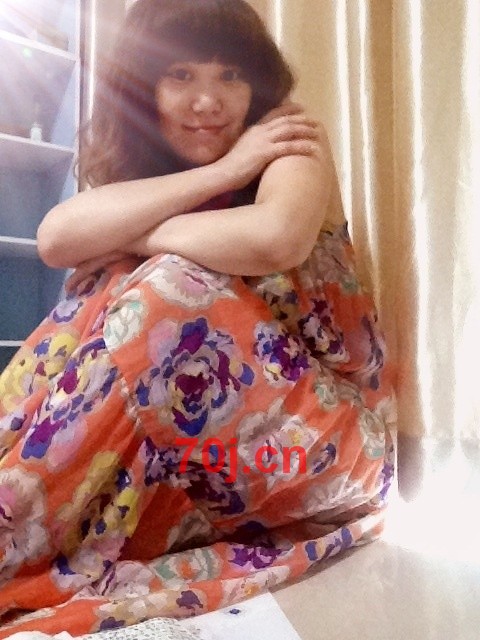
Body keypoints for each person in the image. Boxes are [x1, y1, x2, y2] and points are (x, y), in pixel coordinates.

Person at [0, 0, 395, 636]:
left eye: (229, 75)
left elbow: (274, 239)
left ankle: (18, 527)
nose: (208, 101)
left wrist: (136, 240)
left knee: (165, 290)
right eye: (180, 75)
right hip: (211, 461)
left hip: (330, 452)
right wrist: (219, 174)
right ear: (144, 86)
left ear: (256, 84)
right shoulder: (155, 172)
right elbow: (56, 238)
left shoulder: (288, 139)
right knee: (109, 287)